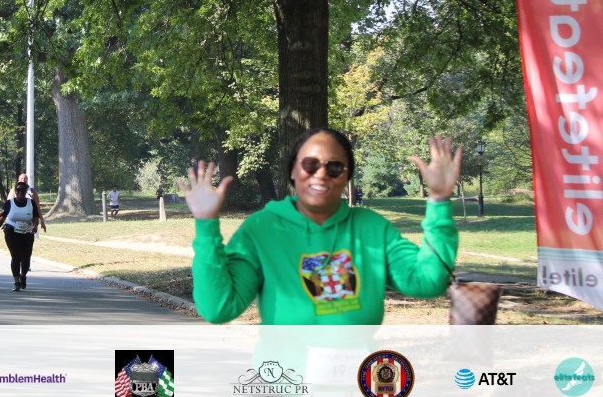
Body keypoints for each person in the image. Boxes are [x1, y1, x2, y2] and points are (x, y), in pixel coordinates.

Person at [184, 129, 461, 325]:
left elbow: (428, 282)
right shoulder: (261, 229)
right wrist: (206, 225)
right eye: (310, 164)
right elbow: (218, 309)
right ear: (293, 171)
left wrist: (439, 200)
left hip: (357, 385)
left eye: (335, 167)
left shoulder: (372, 228)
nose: (321, 174)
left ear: (347, 176)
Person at [0, 180, 42, 291]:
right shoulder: (9, 203)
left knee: (26, 257)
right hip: (11, 232)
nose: (21, 192)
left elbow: (36, 217)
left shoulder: (31, 203)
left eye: (23, 190)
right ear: (15, 192)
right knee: (16, 256)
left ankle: (23, 275)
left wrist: (35, 226)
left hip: (27, 233)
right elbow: (2, 219)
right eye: (18, 190)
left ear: (26, 191)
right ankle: (16, 281)